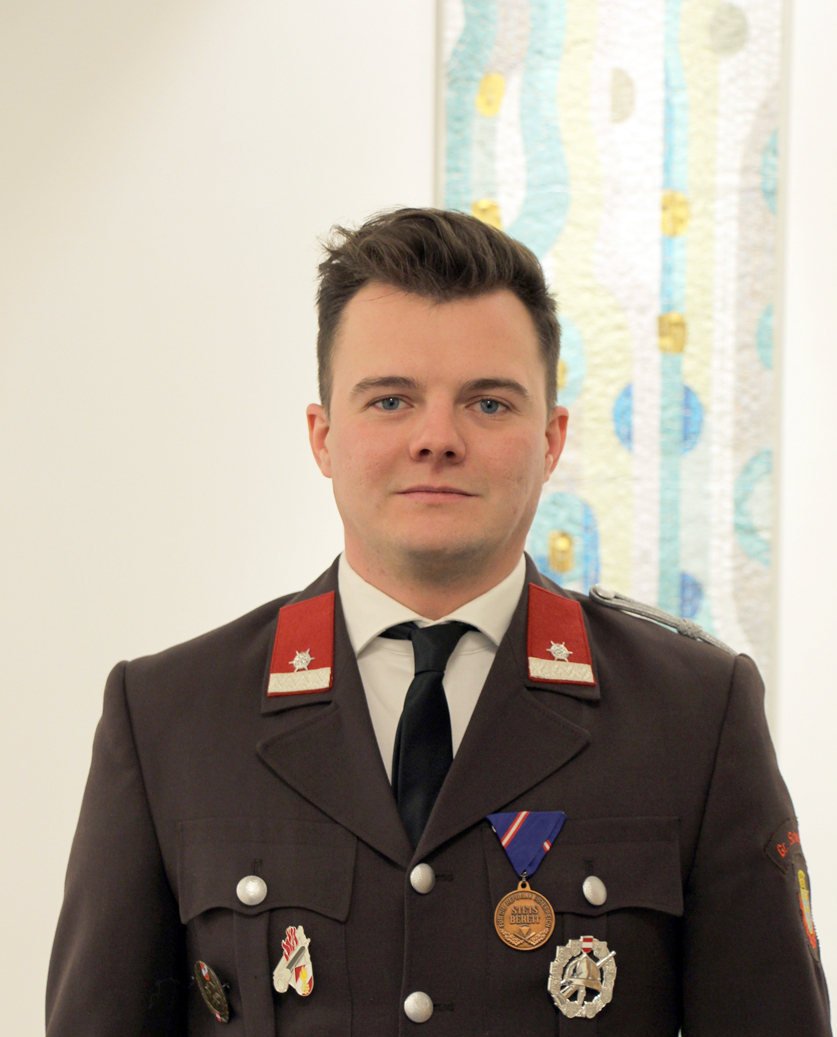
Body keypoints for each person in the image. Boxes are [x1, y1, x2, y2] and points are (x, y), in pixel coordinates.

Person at [46, 208, 830, 1035]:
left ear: (551, 439)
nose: (436, 438)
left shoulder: (693, 714)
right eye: (390, 399)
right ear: (322, 435)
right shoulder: (169, 715)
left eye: (487, 403)